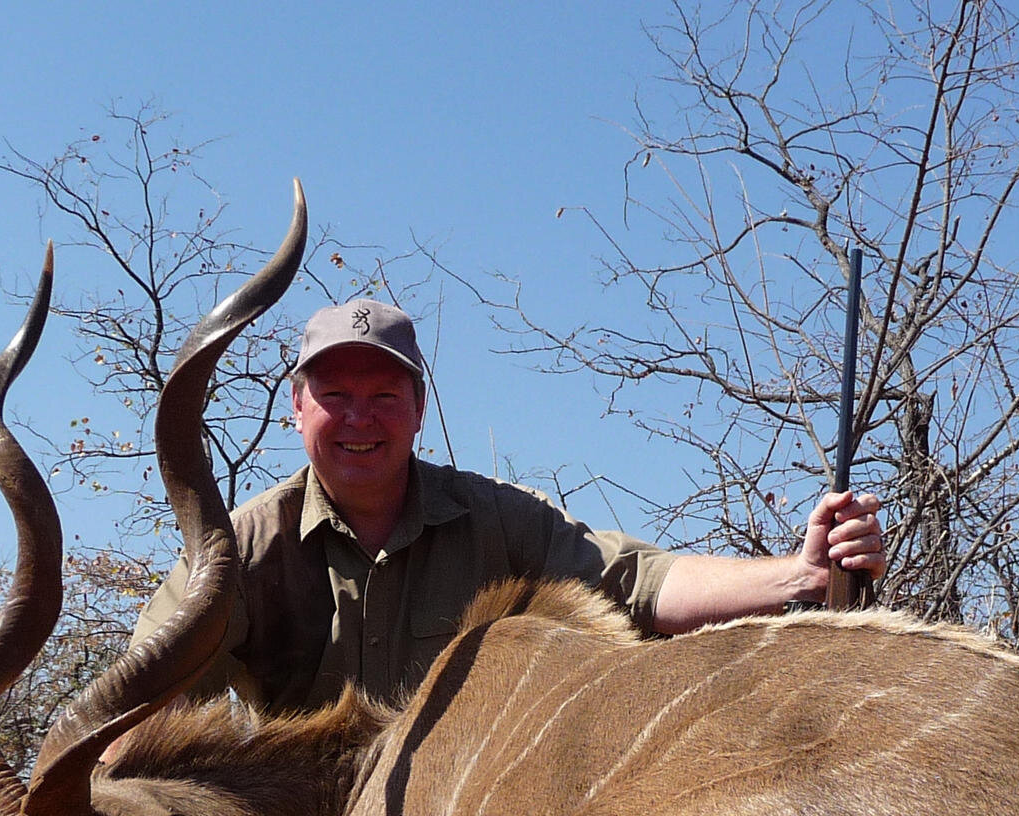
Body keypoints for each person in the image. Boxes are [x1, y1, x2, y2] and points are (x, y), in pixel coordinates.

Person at [129, 298, 888, 715]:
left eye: (384, 397)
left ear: (419, 409)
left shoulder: (494, 519)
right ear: (297, 408)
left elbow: (641, 585)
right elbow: (137, 702)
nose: (360, 419)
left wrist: (800, 577)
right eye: (335, 397)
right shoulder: (243, 548)